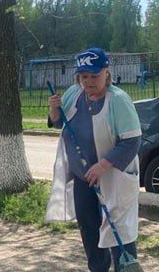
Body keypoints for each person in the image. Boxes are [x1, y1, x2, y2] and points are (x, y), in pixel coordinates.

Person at [46, 47, 142, 271]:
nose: (88, 82)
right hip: (84, 178)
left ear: (107, 73)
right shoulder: (74, 93)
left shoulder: (118, 100)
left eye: (94, 76)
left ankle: (125, 267)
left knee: (119, 230)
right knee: (89, 229)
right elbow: (59, 123)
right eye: (84, 76)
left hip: (114, 178)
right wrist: (53, 110)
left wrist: (102, 165)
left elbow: (132, 141)